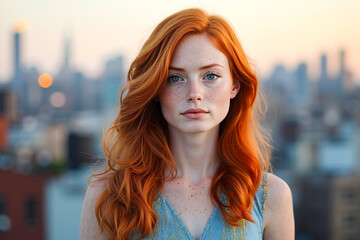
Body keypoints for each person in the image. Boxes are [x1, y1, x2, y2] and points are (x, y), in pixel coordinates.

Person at [80, 8, 294, 240]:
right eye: (175, 78)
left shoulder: (270, 196)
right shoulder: (109, 196)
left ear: (235, 85)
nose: (194, 94)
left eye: (210, 76)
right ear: (155, 90)